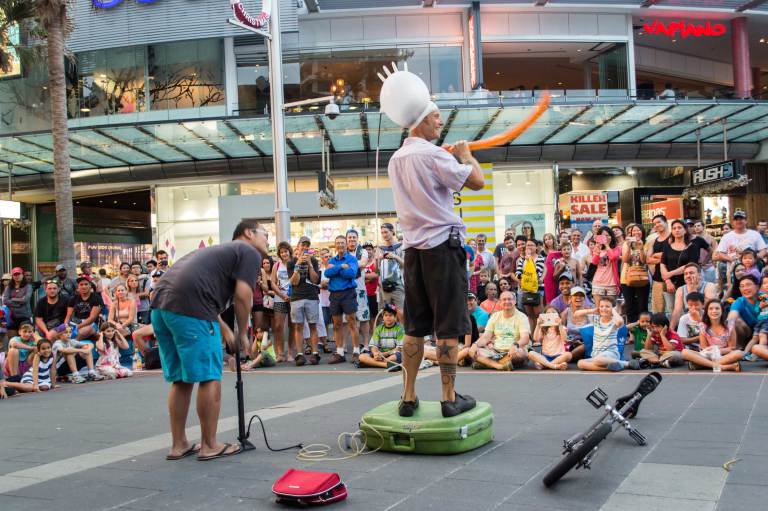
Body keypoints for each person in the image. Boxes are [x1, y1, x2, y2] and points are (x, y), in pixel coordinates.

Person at [384, 68, 483, 417]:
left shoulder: (396, 160)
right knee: (447, 327)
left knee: (414, 326)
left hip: (414, 250)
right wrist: (466, 155)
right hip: (443, 247)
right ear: (421, 122)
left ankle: (408, 397)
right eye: (436, 118)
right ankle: (448, 397)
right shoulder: (435, 154)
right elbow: (477, 182)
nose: (440, 123)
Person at [150, 219, 268, 461]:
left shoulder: (215, 252)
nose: (268, 240)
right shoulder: (247, 251)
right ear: (248, 233)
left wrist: (224, 329)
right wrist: (243, 332)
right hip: (191, 309)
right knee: (209, 375)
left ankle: (179, 444)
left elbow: (196, 287)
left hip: (162, 307)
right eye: (265, 234)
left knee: (181, 378)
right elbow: (243, 294)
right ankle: (209, 444)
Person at [576, 296, 645, 372]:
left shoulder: (614, 321)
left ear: (612, 309)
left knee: (598, 360)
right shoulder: (595, 319)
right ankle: (612, 367)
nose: (604, 308)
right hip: (597, 355)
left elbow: (620, 322)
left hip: (611, 354)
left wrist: (613, 311)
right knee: (580, 363)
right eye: (601, 306)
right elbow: (577, 314)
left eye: (607, 306)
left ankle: (626, 363)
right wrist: (593, 310)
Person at [471, 291, 530, 370]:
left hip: (513, 350)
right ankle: (500, 366)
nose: (507, 302)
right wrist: (476, 344)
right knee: (472, 351)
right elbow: (485, 337)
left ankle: (488, 363)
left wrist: (515, 345)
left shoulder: (522, 317)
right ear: (500, 302)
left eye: (510, 299)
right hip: (496, 351)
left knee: (521, 353)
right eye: (504, 299)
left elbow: (525, 338)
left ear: (515, 301)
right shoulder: (495, 316)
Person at [326, 235, 360, 365]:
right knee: (337, 324)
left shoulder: (352, 259)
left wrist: (335, 269)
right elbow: (327, 274)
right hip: (334, 295)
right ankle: (339, 352)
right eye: (338, 243)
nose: (340, 245)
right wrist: (341, 267)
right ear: (335, 245)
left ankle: (356, 351)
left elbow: (351, 273)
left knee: (352, 322)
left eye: (342, 243)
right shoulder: (332, 260)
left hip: (348, 293)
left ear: (346, 245)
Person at [287, 236, 321, 366]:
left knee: (313, 325)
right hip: (296, 297)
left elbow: (315, 280)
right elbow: (294, 282)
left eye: (307, 245)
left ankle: (315, 353)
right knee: (298, 326)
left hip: (311, 296)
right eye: (303, 245)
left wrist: (310, 265)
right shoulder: (291, 262)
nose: (305, 248)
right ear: (298, 246)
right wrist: (297, 265)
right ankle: (300, 354)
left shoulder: (313, 260)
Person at [683, 300, 743, 371]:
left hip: (724, 355)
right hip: (708, 355)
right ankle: (724, 367)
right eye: (711, 309)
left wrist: (717, 351)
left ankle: (701, 365)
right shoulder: (703, 326)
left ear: (722, 311)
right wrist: (712, 352)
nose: (714, 311)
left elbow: (732, 348)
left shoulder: (730, 325)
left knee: (738, 353)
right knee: (685, 352)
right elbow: (703, 348)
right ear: (707, 312)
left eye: (717, 308)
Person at [660, 219, 702, 312]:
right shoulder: (667, 246)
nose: (677, 230)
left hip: (688, 284)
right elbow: (662, 264)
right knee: (672, 310)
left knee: (689, 310)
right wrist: (667, 281)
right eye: (674, 228)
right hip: (670, 285)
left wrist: (669, 274)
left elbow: (690, 266)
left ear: (685, 230)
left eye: (679, 227)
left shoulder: (692, 246)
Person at [669, 263, 719, 330]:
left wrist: (693, 289)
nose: (688, 276)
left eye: (691, 273)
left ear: (699, 275)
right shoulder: (680, 290)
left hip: (706, 320)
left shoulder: (709, 286)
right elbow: (677, 311)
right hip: (689, 321)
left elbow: (710, 306)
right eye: (686, 274)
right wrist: (671, 330)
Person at [358, 303, 404, 370]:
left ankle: (373, 363)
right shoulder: (379, 328)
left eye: (390, 315)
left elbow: (399, 348)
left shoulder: (400, 329)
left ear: (395, 317)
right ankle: (386, 365)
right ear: (383, 316)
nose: (388, 317)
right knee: (362, 356)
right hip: (381, 353)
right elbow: (374, 345)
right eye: (386, 315)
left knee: (392, 358)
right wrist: (375, 353)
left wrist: (383, 354)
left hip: (393, 353)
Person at [620, 223, 650, 323]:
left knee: (642, 306)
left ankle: (644, 329)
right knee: (630, 305)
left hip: (642, 278)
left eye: (638, 230)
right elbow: (625, 259)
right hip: (627, 278)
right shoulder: (626, 243)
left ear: (643, 232)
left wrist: (641, 248)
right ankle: (632, 331)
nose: (636, 232)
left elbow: (644, 261)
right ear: (631, 233)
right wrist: (628, 246)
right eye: (634, 231)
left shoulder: (647, 243)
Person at [529, 305, 571, 370]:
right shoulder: (544, 329)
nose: (551, 315)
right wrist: (538, 325)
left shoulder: (562, 328)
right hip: (545, 356)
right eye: (548, 313)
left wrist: (559, 325)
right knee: (530, 353)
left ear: (558, 315)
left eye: (553, 313)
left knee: (568, 355)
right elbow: (535, 339)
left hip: (558, 356)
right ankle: (554, 366)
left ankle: (544, 365)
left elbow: (565, 339)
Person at [377, 223, 405, 319]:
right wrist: (379, 258)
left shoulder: (401, 246)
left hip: (398, 284)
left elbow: (406, 264)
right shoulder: (380, 249)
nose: (384, 235)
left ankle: (403, 333)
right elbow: (377, 269)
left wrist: (395, 256)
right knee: (387, 315)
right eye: (382, 233)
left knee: (401, 313)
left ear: (392, 231)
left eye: (386, 232)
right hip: (384, 285)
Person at [271, 241, 293, 363]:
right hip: (279, 298)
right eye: (282, 252)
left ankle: (290, 352)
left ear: (290, 251)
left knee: (292, 326)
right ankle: (280, 353)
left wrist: (289, 296)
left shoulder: (294, 264)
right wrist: (281, 295)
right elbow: (273, 283)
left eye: (286, 251)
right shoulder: (277, 266)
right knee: (278, 326)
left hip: (293, 298)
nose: (284, 254)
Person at [516, 238, 545, 331]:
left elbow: (537, 273)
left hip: (538, 290)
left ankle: (540, 335)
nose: (529, 247)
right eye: (528, 245)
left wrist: (529, 260)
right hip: (525, 290)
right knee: (529, 314)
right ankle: (531, 336)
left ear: (536, 247)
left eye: (532, 245)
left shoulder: (540, 258)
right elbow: (518, 273)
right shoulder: (521, 259)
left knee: (538, 314)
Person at [727, 274, 760, 350]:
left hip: (764, 331)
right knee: (735, 321)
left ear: (757, 287)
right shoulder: (739, 301)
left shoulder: (764, 298)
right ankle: (740, 347)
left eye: (748, 285)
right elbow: (732, 316)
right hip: (748, 333)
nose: (745, 288)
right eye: (742, 286)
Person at [64, 277, 103, 341]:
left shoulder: (96, 298)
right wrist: (66, 326)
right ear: (78, 287)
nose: (84, 286)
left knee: (82, 332)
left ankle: (71, 346)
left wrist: (76, 327)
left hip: (91, 324)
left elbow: (92, 318)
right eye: (81, 285)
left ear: (90, 285)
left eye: (86, 284)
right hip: (75, 322)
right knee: (55, 333)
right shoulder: (73, 298)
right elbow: (68, 315)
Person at [646, 214, 672, 313]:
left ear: (665, 222)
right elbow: (648, 260)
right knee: (657, 310)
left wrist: (658, 256)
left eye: (659, 222)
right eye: (654, 224)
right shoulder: (653, 241)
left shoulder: (673, 238)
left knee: (673, 308)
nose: (657, 225)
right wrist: (664, 257)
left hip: (673, 278)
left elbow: (674, 254)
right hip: (658, 278)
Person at [590, 226, 621, 298]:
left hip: (612, 284)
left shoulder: (617, 248)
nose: (605, 237)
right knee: (599, 308)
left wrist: (607, 245)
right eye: (603, 236)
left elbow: (612, 257)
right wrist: (598, 249)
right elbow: (594, 262)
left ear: (611, 236)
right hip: (598, 283)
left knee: (611, 308)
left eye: (607, 235)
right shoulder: (597, 248)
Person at [3, 267, 33, 338]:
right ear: (12, 276)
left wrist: (12, 299)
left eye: (18, 274)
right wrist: (19, 302)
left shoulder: (28, 286)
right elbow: (5, 300)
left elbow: (25, 300)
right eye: (15, 274)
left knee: (25, 340)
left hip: (24, 317)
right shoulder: (9, 287)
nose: (17, 276)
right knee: (12, 341)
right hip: (11, 318)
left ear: (22, 275)